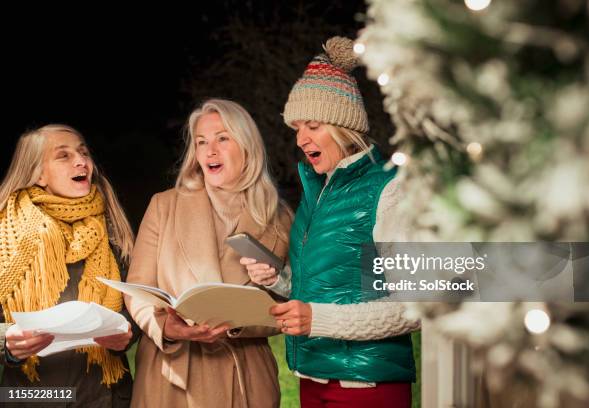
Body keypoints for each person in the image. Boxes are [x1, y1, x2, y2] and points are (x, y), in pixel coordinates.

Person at [242, 37, 419, 408]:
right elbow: (330, 287)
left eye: (313, 125)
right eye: (297, 129)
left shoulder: (387, 191)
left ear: (343, 127)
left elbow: (411, 307)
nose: (301, 138)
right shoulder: (317, 194)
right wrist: (279, 279)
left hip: (366, 386)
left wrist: (316, 320)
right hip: (314, 376)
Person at [125, 99, 292, 407]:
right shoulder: (164, 206)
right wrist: (165, 328)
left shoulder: (279, 218)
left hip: (246, 379)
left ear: (247, 146)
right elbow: (137, 289)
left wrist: (245, 316)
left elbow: (287, 306)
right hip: (173, 373)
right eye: (201, 142)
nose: (209, 150)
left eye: (222, 138)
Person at [0, 124, 137, 407]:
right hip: (31, 397)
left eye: (83, 153)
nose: (81, 161)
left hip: (107, 396)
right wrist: (7, 343)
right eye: (63, 155)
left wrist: (128, 334)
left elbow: (139, 307)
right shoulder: (5, 234)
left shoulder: (114, 229)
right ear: (37, 173)